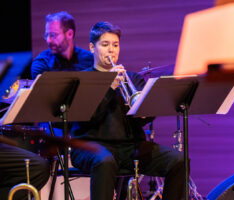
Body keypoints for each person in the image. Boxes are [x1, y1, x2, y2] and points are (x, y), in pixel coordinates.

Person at [70, 21, 184, 200]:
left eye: (115, 45)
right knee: (104, 160)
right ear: (92, 47)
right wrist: (109, 88)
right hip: (90, 145)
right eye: (105, 44)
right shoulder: (83, 79)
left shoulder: (133, 78)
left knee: (179, 160)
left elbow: (144, 118)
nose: (111, 50)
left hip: (130, 147)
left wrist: (145, 110)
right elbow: (86, 120)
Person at [31, 11, 93, 80]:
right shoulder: (42, 63)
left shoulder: (90, 60)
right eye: (46, 35)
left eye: (53, 35)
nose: (48, 40)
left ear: (70, 34)